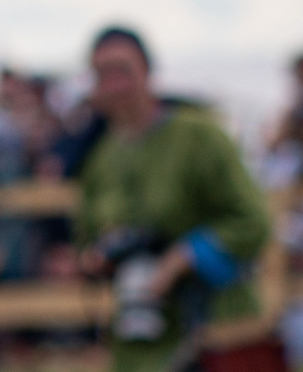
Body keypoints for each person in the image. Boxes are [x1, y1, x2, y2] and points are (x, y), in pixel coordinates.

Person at [73, 27, 271, 372]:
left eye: (123, 70)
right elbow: (87, 238)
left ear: (148, 73)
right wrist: (98, 258)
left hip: (217, 334)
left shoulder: (200, 136)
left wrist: (183, 257)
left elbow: (254, 221)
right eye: (103, 74)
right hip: (139, 338)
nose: (115, 84)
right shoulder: (100, 160)